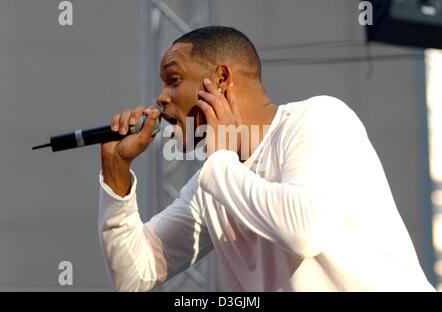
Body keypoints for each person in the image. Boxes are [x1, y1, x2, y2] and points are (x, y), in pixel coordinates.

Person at [98, 26, 435, 291]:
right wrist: (116, 173)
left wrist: (218, 163)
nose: (160, 99)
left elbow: (304, 230)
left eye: (174, 80)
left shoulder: (319, 118)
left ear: (221, 79)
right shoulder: (216, 182)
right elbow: (134, 275)